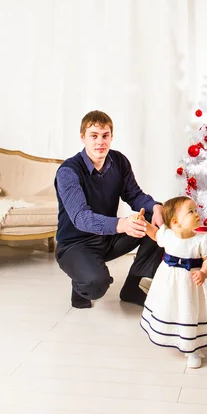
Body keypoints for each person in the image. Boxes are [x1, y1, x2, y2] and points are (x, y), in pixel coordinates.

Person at [55, 110, 164, 309]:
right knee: (96, 284)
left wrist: (156, 207)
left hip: (107, 237)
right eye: (94, 136)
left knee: (155, 220)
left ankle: (132, 286)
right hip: (75, 244)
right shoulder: (68, 172)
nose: (100, 142)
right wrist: (122, 224)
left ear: (111, 137)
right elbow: (81, 218)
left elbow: (134, 195)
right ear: (83, 138)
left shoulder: (119, 161)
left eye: (105, 136)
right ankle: (81, 278)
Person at [140, 196, 207, 369]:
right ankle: (176, 335)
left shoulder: (201, 240)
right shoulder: (168, 235)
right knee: (175, 308)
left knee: (192, 309)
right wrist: (146, 226)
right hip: (171, 282)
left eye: (196, 210)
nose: (197, 214)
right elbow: (155, 234)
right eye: (191, 212)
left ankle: (193, 347)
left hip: (193, 283)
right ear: (176, 222)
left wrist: (204, 272)